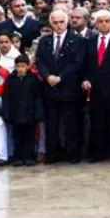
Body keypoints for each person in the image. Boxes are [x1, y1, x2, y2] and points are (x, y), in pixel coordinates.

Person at [36, 9, 85, 164]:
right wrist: (47, 76)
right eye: (55, 22)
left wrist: (60, 77)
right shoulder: (45, 41)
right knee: (51, 123)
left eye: (61, 22)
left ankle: (72, 153)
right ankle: (52, 153)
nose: (58, 25)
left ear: (67, 22)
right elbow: (40, 60)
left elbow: (77, 63)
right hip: (49, 87)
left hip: (68, 86)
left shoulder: (76, 40)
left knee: (70, 122)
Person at [81, 10, 110, 163]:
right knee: (97, 121)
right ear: (95, 23)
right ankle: (97, 152)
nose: (104, 24)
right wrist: (85, 79)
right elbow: (86, 65)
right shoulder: (89, 42)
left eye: (107, 21)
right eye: (100, 21)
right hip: (95, 88)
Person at [2, 54, 42, 167]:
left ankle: (29, 156)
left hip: (30, 113)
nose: (20, 69)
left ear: (28, 66)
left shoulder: (33, 79)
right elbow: (6, 97)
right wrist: (7, 112)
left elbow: (38, 97)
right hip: (15, 112)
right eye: (18, 66)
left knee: (29, 135)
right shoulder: (10, 79)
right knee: (17, 135)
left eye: (23, 66)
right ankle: (18, 156)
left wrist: (38, 113)